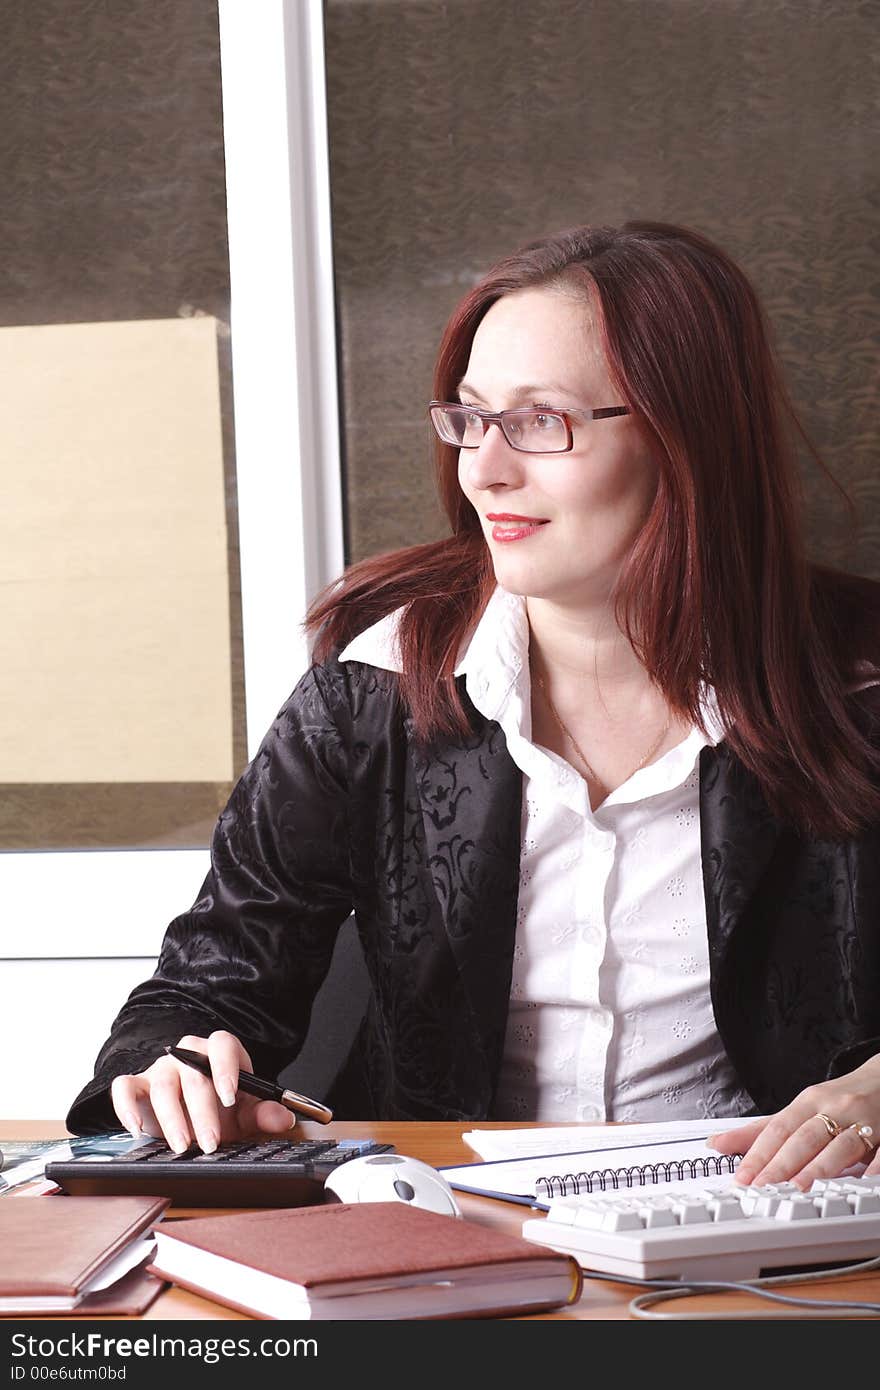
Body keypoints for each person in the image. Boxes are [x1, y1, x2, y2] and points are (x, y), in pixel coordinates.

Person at [67, 220, 880, 1190]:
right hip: (445, 1227)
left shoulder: (856, 683)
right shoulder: (373, 689)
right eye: (469, 417)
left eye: (541, 420)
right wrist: (177, 1072)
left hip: (760, 1236)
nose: (484, 468)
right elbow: (205, 986)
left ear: (685, 435)